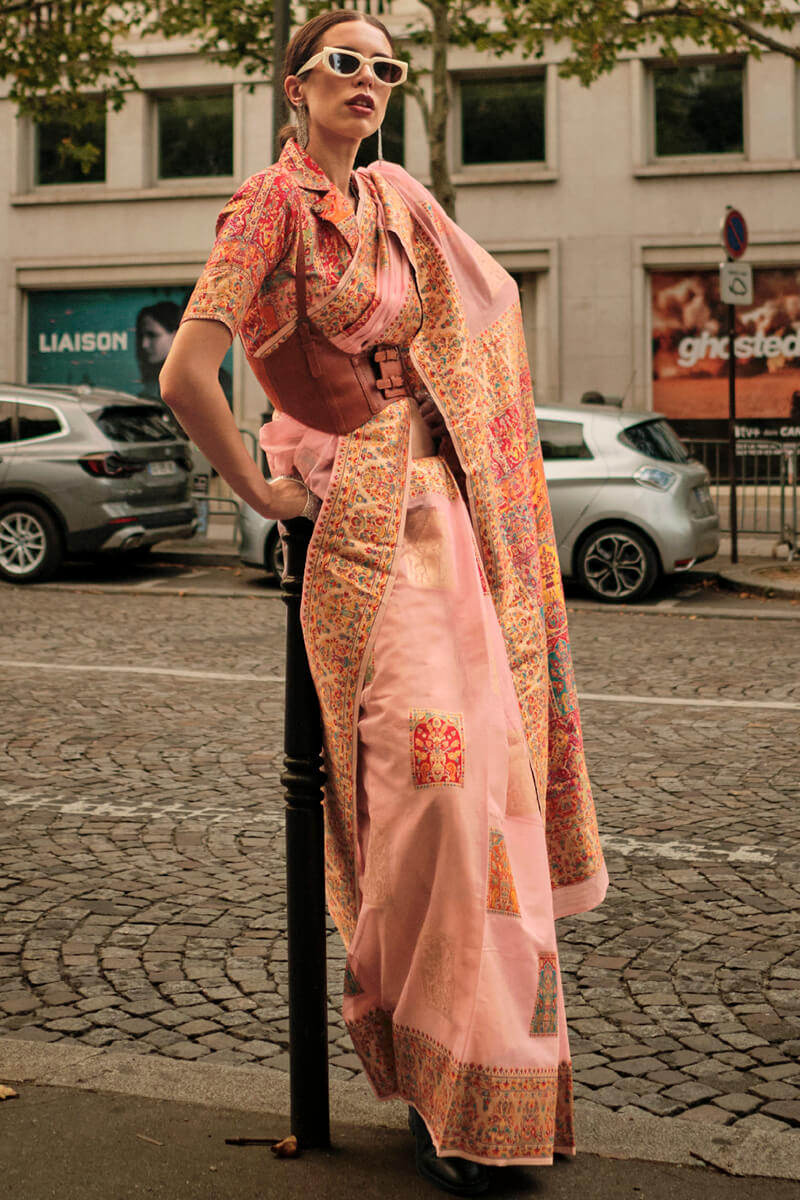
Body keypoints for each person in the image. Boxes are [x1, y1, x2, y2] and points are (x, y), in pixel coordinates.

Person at [160, 10, 607, 1194]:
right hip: (359, 535)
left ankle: (494, 1090)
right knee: (434, 798)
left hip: (450, 522)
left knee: (493, 796)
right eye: (343, 65)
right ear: (294, 85)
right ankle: (427, 1077)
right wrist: (257, 487)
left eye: (385, 69)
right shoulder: (270, 205)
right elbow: (184, 373)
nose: (369, 83)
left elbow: (485, 318)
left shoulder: (399, 204)